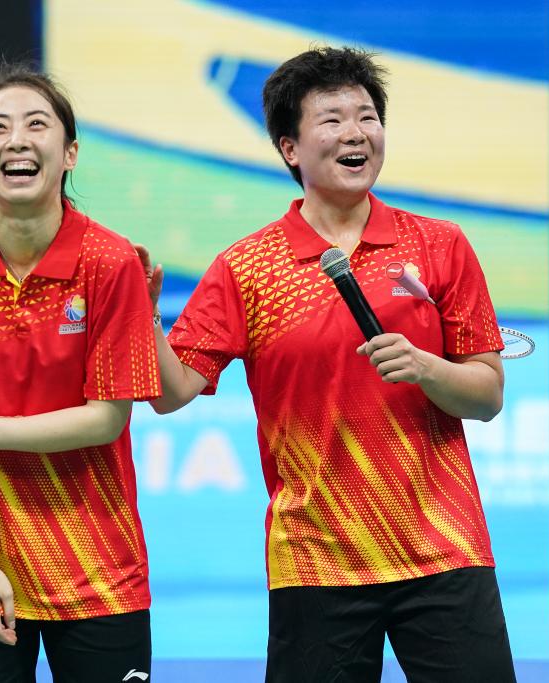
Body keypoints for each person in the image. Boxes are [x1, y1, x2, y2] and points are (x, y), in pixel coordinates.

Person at [140, 46, 516, 682]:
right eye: (332, 119)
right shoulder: (246, 267)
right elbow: (170, 392)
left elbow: (488, 395)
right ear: (290, 148)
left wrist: (426, 367)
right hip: (316, 559)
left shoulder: (440, 245)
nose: (356, 133)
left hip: (442, 548)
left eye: (367, 117)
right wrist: (145, 316)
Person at [0, 60, 159, 683]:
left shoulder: (110, 262)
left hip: (98, 569)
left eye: (37, 124)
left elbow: (105, 419)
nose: (17, 139)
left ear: (69, 154)